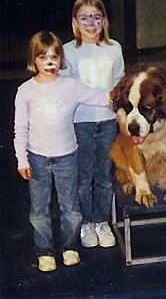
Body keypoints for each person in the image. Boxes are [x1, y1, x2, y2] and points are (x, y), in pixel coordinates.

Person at [14, 31, 110, 272]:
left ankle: (70, 247)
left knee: (71, 207)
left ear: (61, 60)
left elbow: (101, 98)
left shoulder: (71, 86)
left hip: (67, 156)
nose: (49, 62)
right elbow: (20, 128)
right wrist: (21, 159)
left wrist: (129, 92)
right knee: (39, 210)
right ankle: (45, 251)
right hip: (36, 157)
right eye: (43, 57)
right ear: (33, 60)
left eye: (55, 57)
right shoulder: (26, 90)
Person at [61, 0, 125, 248]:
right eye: (84, 18)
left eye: (96, 17)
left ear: (104, 21)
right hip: (80, 123)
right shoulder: (67, 51)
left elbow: (120, 80)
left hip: (107, 122)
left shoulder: (114, 48)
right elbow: (65, 88)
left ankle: (102, 221)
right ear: (75, 22)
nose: (90, 23)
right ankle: (86, 222)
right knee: (83, 176)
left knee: (104, 175)